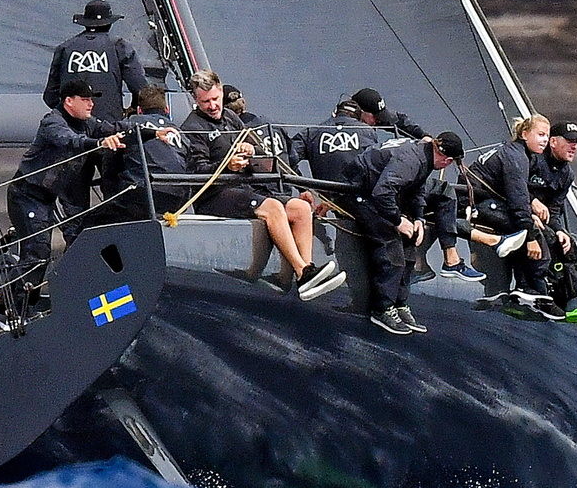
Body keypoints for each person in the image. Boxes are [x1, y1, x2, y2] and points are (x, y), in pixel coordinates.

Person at [301, 90, 427, 336]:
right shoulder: (365, 131)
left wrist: (302, 189)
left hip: (360, 193)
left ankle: (383, 302)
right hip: (365, 192)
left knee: (377, 239)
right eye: (374, 117)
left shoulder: (315, 131)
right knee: (381, 239)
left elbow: (397, 121)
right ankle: (381, 304)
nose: (378, 121)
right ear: (360, 113)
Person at [180, 75, 320, 288]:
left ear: (221, 92)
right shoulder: (192, 126)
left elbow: (262, 153)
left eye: (216, 99)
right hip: (213, 195)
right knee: (271, 206)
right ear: (195, 100)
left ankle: (307, 271)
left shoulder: (231, 117)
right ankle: (302, 271)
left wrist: (252, 150)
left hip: (245, 188)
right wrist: (227, 166)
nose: (212, 106)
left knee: (300, 208)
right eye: (205, 102)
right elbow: (196, 171)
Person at [8, 89, 128, 307]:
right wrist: (99, 144)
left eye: (92, 100)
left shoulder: (89, 123)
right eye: (85, 99)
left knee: (63, 243)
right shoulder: (52, 122)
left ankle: (21, 305)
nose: (91, 104)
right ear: (69, 101)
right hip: (25, 194)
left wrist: (151, 132)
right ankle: (13, 309)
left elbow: (115, 128)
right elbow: (70, 141)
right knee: (37, 251)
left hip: (49, 197)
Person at [44, 0, 155, 216]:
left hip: (72, 137)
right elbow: (142, 91)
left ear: (84, 22)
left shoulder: (64, 48)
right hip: (109, 135)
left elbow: (49, 96)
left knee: (74, 209)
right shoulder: (119, 47)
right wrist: (128, 112)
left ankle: (75, 247)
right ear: (109, 22)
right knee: (115, 200)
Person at [469, 114, 562, 314]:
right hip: (477, 205)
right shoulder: (516, 157)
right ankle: (529, 290)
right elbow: (517, 200)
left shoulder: (516, 152)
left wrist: (532, 206)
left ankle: (497, 290)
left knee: (529, 223)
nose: (544, 140)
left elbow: (515, 194)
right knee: (538, 233)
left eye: (547, 135)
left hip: (479, 201)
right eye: (540, 135)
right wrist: (530, 237)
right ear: (524, 133)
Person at [536, 121, 577, 311]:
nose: (574, 146)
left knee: (568, 245)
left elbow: (555, 210)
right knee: (548, 240)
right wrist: (530, 203)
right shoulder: (533, 160)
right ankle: (541, 296)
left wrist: (560, 230)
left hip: (544, 221)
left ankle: (575, 300)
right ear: (553, 142)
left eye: (576, 142)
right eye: (569, 141)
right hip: (520, 214)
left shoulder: (567, 174)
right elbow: (513, 189)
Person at [419, 130, 473, 278]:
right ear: (448, 160)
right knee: (445, 192)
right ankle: (450, 259)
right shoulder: (415, 161)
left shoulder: (419, 155)